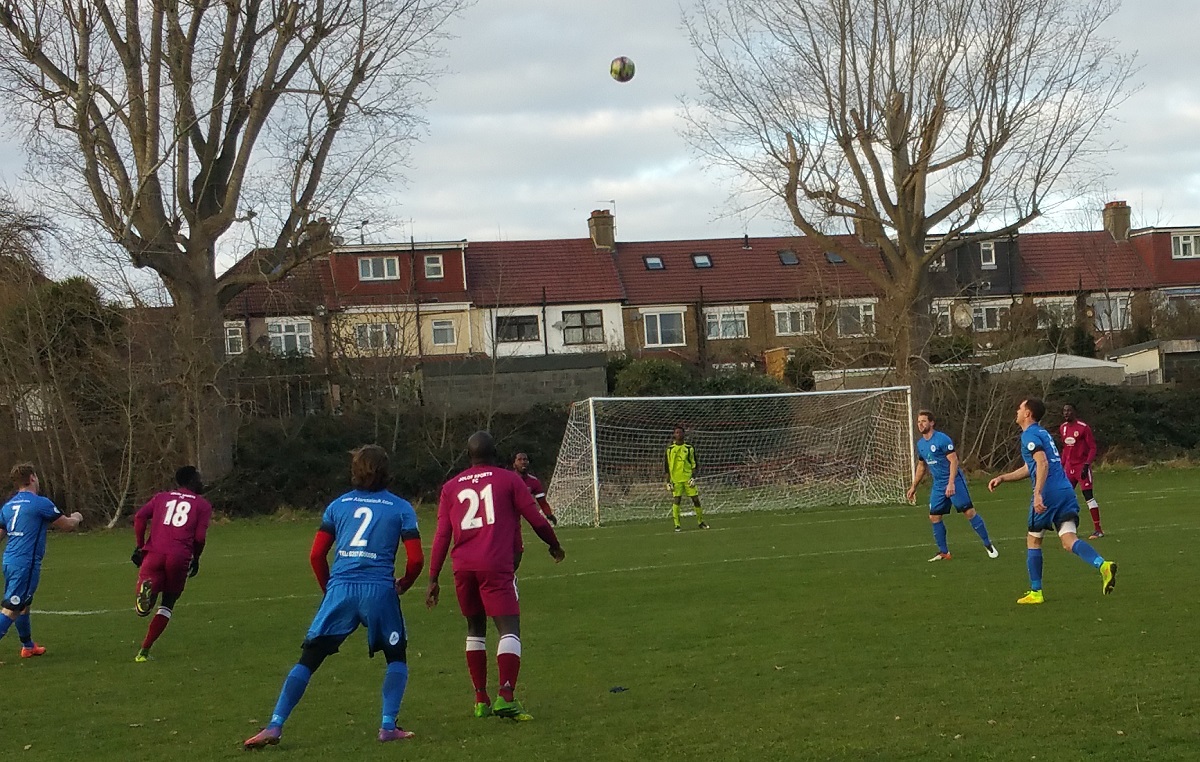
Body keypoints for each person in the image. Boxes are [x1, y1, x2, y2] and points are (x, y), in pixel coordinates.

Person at [245, 446, 424, 749]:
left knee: (309, 658)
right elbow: (417, 559)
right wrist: (404, 584)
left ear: (355, 471)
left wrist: (329, 587)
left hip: (340, 589)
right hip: (379, 590)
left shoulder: (338, 505)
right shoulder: (400, 508)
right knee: (396, 656)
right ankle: (388, 726)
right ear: (386, 471)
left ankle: (275, 724)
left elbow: (316, 554)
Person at [427, 431, 565, 721]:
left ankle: (480, 700)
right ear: (496, 454)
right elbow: (535, 518)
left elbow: (442, 534)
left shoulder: (451, 487)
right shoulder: (508, 479)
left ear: (469, 455)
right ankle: (506, 696)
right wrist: (553, 544)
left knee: (474, 629)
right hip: (495, 564)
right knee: (509, 628)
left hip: (463, 566)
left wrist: (433, 577)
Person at [988, 398, 1116, 605]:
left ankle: (1036, 592)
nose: (1017, 411)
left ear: (1028, 413)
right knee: (1068, 540)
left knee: (1034, 539)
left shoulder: (1029, 434)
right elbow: (1032, 466)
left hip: (1049, 493)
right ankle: (1103, 565)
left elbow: (1042, 463)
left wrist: (1038, 493)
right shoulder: (1042, 433)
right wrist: (1004, 477)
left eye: (1020, 408)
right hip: (1065, 490)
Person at [130, 466, 213, 662]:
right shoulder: (202, 505)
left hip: (154, 553)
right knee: (168, 603)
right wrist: (197, 557)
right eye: (199, 479)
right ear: (191, 481)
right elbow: (200, 538)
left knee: (147, 593)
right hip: (179, 556)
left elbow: (140, 517)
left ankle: (146, 593)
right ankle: (144, 651)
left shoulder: (161, 497)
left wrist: (141, 546)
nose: (202, 483)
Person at [0, 462, 83, 657]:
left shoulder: (9, 506)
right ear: (32, 478)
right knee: (12, 607)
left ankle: (28, 646)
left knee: (23, 604)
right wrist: (77, 517)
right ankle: (27, 646)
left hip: (9, 560)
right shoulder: (40, 503)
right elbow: (67, 525)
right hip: (26, 563)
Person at [905, 410, 998, 562]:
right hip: (938, 483)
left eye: (923, 421)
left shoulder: (942, 439)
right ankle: (944, 553)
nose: (920, 424)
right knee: (934, 516)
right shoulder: (921, 444)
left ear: (931, 423)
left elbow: (954, 461)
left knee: (969, 513)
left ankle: (988, 544)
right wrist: (913, 486)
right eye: (918, 422)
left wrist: (951, 483)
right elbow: (922, 466)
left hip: (954, 480)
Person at [1059, 404, 1104, 539]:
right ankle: (1068, 530)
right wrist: (1061, 465)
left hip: (1081, 467)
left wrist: (1086, 465)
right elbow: (1066, 449)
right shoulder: (1063, 428)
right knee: (1065, 497)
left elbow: (1092, 448)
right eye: (1064, 411)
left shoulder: (1083, 428)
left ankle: (1098, 529)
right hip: (1069, 468)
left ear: (1074, 412)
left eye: (1069, 411)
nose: (1066, 413)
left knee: (1088, 496)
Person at [511, 452, 557, 571]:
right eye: (519, 459)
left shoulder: (533, 482)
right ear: (514, 463)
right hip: (505, 518)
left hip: (517, 521)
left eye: (525, 459)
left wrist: (549, 514)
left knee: (517, 553)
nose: (523, 462)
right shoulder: (508, 479)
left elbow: (542, 501)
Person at [665, 426, 708, 532]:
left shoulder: (689, 448)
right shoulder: (670, 449)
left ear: (684, 434)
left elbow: (694, 464)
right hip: (676, 479)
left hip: (688, 479)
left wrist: (693, 477)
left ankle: (700, 522)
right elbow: (666, 467)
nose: (678, 434)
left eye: (680, 432)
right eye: (676, 433)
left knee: (695, 499)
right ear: (674, 435)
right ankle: (677, 525)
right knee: (677, 500)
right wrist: (668, 482)